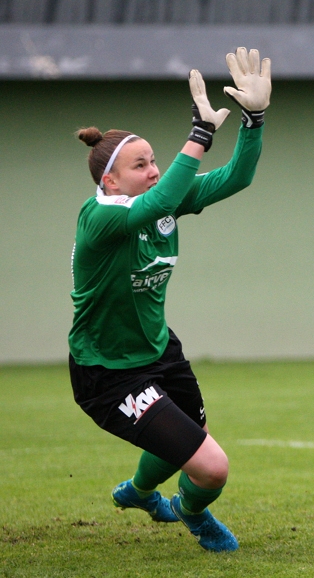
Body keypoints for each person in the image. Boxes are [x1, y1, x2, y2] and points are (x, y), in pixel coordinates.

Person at [68, 48, 271, 551]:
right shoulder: (100, 219)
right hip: (108, 371)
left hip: (159, 350)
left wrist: (255, 119)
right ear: (109, 181)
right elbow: (158, 202)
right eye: (142, 165)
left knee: (190, 432)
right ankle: (193, 516)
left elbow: (237, 177)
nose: (156, 171)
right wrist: (199, 135)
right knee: (211, 466)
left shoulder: (159, 201)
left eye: (156, 160)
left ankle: (138, 492)